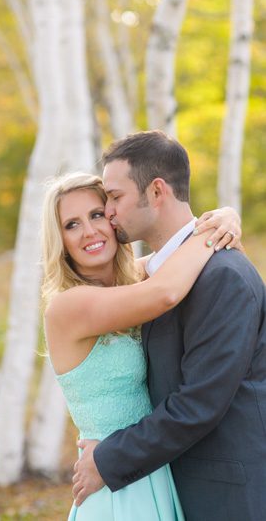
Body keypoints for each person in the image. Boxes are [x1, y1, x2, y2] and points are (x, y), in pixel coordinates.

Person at [71, 130, 266, 520]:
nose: (108, 212)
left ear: (157, 191)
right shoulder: (156, 276)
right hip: (170, 486)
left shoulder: (223, 275)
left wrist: (108, 460)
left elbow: (200, 402)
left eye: (115, 197)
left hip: (226, 496)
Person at [42, 172, 240, 519]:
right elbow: (165, 292)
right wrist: (213, 231)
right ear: (59, 240)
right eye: (72, 224)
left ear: (114, 217)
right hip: (113, 481)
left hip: (151, 466)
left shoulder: (132, 280)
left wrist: (227, 215)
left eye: (97, 215)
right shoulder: (68, 307)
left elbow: (172, 261)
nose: (89, 231)